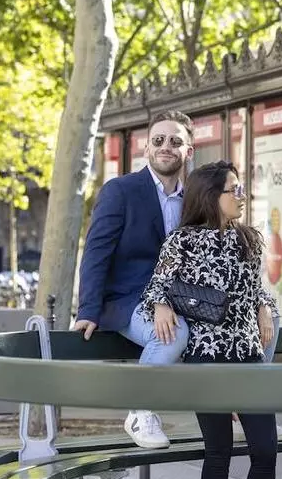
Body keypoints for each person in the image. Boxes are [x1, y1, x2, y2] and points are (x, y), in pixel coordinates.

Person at [139, 161, 278, 479]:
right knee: (219, 452)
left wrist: (265, 307)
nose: (242, 196)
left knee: (266, 450)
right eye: (235, 190)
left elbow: (258, 289)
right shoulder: (181, 241)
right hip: (207, 359)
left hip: (248, 356)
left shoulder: (248, 239)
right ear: (211, 195)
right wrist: (160, 305)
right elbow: (158, 284)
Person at [74, 110, 195, 449]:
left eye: (175, 141)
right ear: (147, 149)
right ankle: (141, 413)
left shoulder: (195, 200)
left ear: (189, 151)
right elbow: (96, 253)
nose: (165, 146)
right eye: (158, 140)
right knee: (172, 336)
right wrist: (88, 309)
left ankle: (240, 409)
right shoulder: (121, 191)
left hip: (182, 301)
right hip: (128, 301)